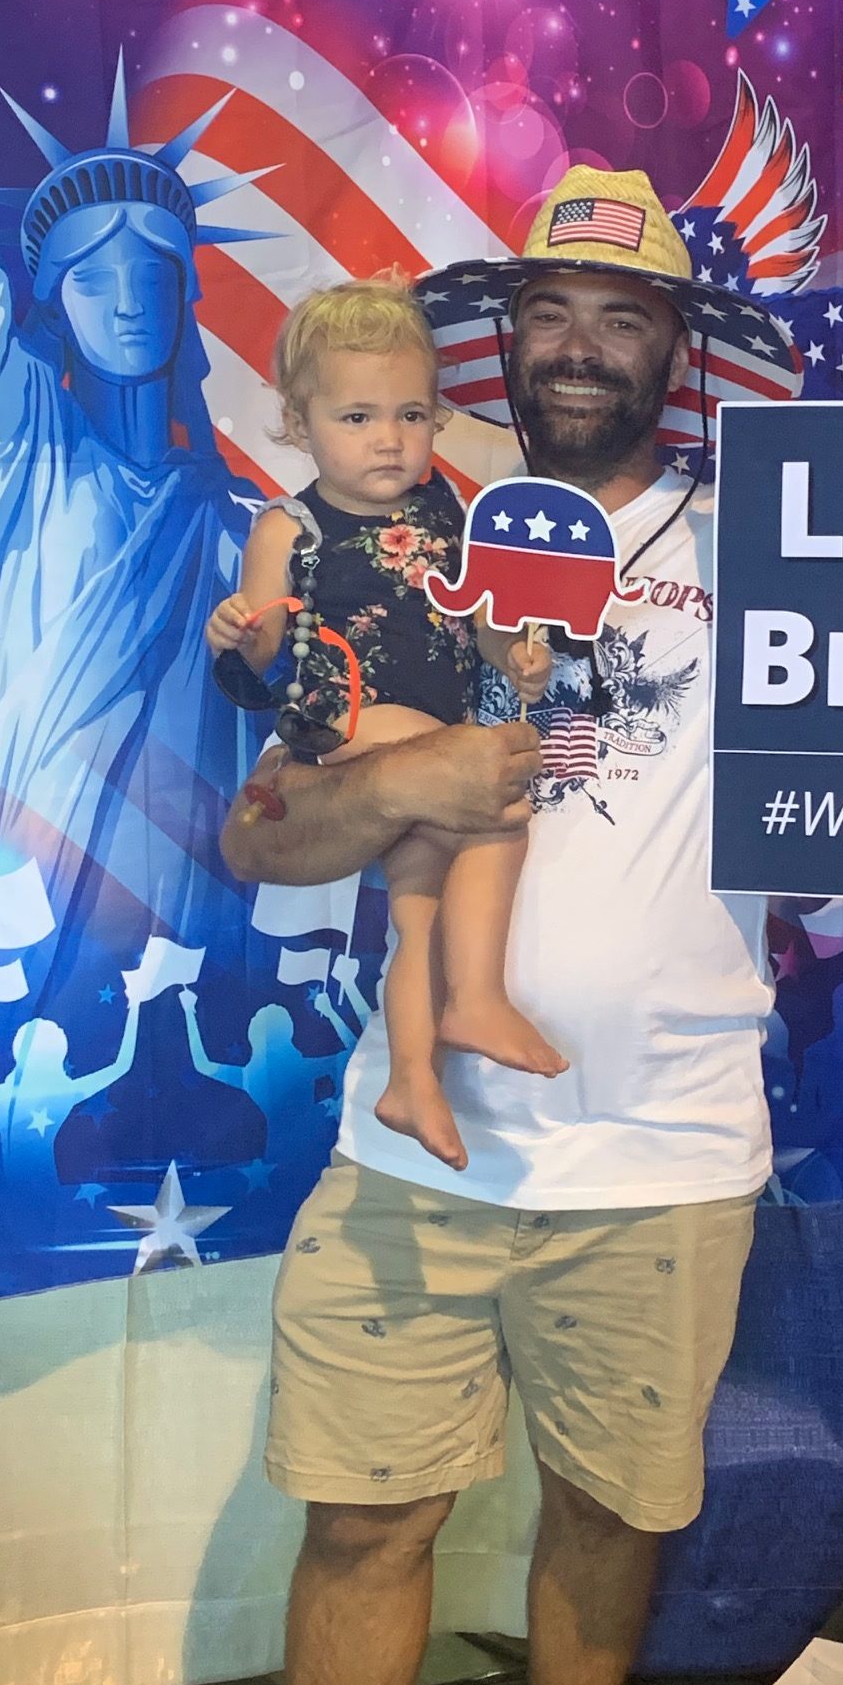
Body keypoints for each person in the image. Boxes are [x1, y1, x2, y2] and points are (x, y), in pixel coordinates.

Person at [220, 164, 843, 1685]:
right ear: (507, 341)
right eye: (552, 311)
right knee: (365, 1523)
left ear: (678, 347)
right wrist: (415, 777)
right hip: (415, 1144)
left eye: (624, 316)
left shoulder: (773, 541)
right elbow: (264, 839)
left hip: (666, 1153)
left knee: (606, 1516)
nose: (582, 346)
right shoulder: (417, 539)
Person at [205, 277, 560, 1171]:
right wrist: (240, 635)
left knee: (419, 906)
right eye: (357, 418)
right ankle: (476, 998)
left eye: (411, 415)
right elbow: (265, 646)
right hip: (346, 720)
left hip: (431, 732)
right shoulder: (289, 527)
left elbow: (479, 617)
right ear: (299, 424)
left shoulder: (448, 511)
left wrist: (515, 653)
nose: (389, 439)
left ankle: (411, 1078)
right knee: (497, 808)